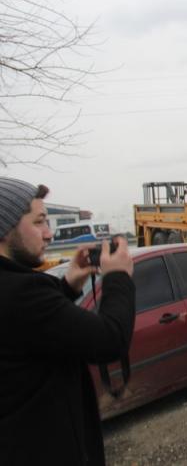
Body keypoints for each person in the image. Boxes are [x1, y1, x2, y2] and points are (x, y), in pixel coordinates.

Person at [0, 177, 136, 465]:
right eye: (39, 222)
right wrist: (118, 277)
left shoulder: (15, 292)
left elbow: (31, 331)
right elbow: (111, 340)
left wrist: (69, 286)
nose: (49, 234)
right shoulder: (23, 293)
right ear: (4, 229)